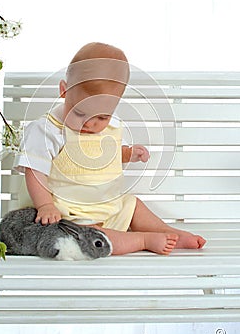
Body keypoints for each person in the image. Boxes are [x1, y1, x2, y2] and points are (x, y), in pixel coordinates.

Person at [14, 42, 206, 255]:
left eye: (102, 117)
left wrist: (127, 154)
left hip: (107, 206)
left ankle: (168, 232)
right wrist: (45, 206)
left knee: (132, 205)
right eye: (79, 113)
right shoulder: (47, 131)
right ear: (64, 91)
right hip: (68, 214)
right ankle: (142, 240)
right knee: (86, 236)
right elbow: (34, 171)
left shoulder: (111, 127)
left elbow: (104, 153)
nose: (90, 124)